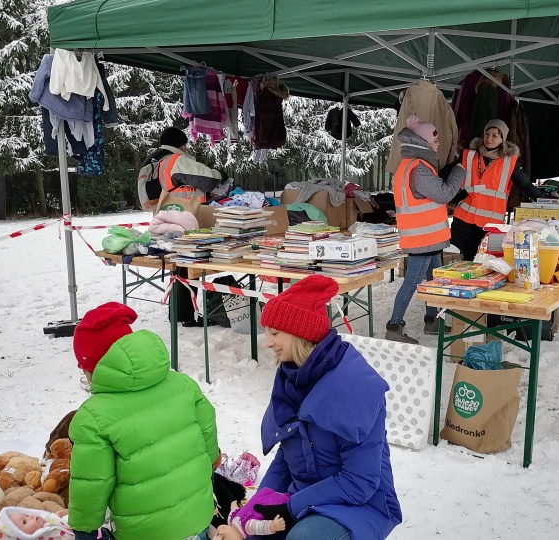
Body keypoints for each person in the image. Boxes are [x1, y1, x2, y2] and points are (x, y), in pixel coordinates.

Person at [255, 275, 402, 540]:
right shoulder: (292, 378)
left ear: (301, 333)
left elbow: (360, 483)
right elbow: (287, 455)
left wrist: (290, 506)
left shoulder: (354, 387)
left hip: (359, 506)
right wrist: (259, 503)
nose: (267, 343)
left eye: (275, 333)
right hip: (303, 495)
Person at [67, 302, 219, 540]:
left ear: (93, 368)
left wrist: (84, 529)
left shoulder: (93, 418)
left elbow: (92, 483)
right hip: (198, 517)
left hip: (144, 532)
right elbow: (208, 436)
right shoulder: (183, 385)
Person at [387, 115, 466, 344]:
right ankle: (394, 326)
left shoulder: (412, 166)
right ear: (423, 143)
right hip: (422, 238)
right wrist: (459, 172)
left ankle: (433, 320)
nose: (438, 143)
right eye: (435, 139)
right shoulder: (419, 169)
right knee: (413, 281)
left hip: (427, 237)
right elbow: (443, 194)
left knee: (434, 279)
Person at [451, 119, 543, 261]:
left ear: (502, 139)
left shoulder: (509, 161)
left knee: (484, 262)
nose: (489, 138)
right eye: (487, 133)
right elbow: (447, 176)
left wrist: (546, 202)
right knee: (461, 260)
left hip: (490, 223)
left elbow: (526, 186)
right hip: (464, 219)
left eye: (495, 135)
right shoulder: (469, 155)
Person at [137, 126, 226, 211]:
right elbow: (210, 180)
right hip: (185, 213)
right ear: (177, 144)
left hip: (163, 215)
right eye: (184, 145)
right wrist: (221, 174)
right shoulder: (175, 160)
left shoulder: (153, 160)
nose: (185, 149)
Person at [0, 507, 72, 540]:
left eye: (27, 515)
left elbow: (50, 523)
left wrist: (55, 518)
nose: (30, 516)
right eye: (24, 521)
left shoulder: (45, 525)